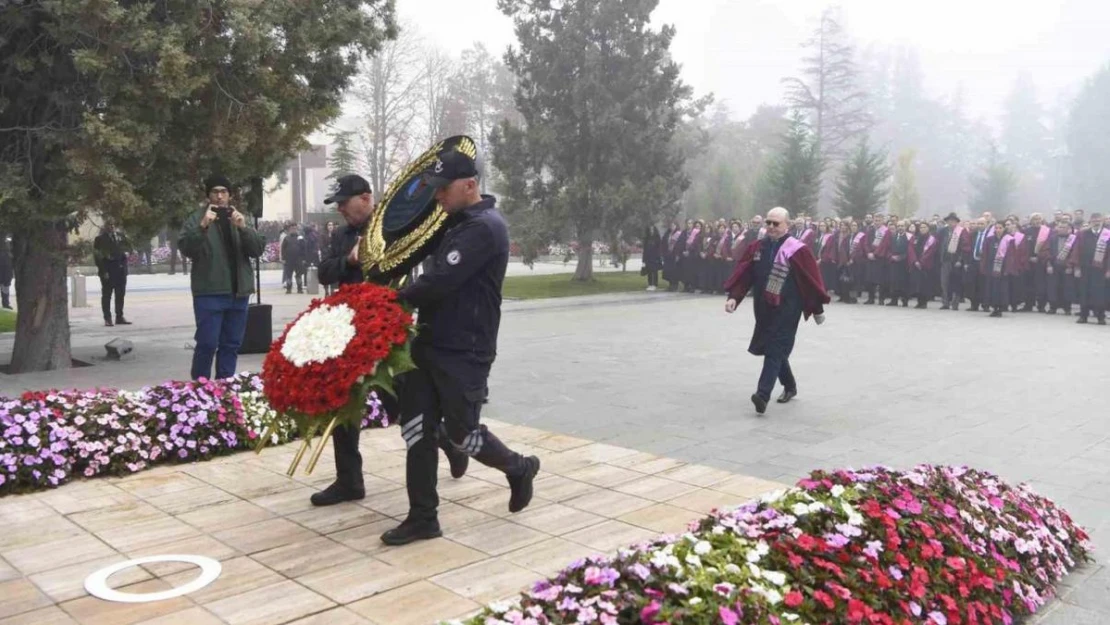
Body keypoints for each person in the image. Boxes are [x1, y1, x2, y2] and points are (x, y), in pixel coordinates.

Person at [381, 148, 540, 546]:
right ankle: (423, 518)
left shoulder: (483, 228)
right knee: (416, 428)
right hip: (431, 341)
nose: (437, 197)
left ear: (469, 185)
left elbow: (439, 282)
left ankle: (519, 468)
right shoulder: (454, 222)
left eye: (443, 189)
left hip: (465, 350)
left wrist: (389, 302)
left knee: (462, 434)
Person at [311, 174, 468, 507]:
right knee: (343, 408)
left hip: (385, 333)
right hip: (347, 331)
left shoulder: (395, 227)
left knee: (400, 406)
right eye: (337, 204)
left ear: (366, 199)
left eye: (344, 203)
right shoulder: (342, 235)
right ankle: (349, 480)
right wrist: (348, 261)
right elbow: (324, 272)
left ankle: (446, 443)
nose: (340, 210)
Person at [724, 207, 829, 415]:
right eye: (768, 223)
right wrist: (734, 298)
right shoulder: (757, 248)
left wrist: (817, 309)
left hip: (789, 308)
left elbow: (811, 281)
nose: (771, 227)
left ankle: (762, 395)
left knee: (775, 348)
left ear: (786, 225)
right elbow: (746, 276)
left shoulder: (798, 250)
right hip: (763, 307)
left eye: (776, 223)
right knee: (775, 348)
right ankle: (790, 386)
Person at [178, 175, 266, 380]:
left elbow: (257, 249)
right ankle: (200, 388)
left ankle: (225, 387)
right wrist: (203, 226)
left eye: (223, 192)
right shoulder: (196, 218)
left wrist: (243, 228)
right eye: (215, 192)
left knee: (231, 344)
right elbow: (187, 248)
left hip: (239, 293)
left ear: (230, 195)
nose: (219, 196)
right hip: (210, 292)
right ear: (208, 195)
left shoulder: (239, 217)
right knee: (207, 343)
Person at [1071, 212, 1109, 325]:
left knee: (1100, 293)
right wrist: (1076, 267)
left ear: (1102, 221)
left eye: (1098, 221)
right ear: (1090, 222)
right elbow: (1076, 251)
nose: (1096, 223)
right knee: (1084, 292)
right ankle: (1083, 315)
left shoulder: (1107, 234)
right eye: (1094, 221)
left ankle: (1100, 317)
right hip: (1085, 268)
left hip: (1101, 269)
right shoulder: (1082, 234)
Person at [93, 222, 131, 327]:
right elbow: (98, 257)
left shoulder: (120, 236)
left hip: (120, 270)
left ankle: (119, 316)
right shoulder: (99, 239)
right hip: (108, 271)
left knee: (120, 294)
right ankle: (107, 318)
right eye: (109, 225)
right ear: (105, 226)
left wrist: (124, 266)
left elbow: (126, 251)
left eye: (114, 224)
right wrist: (103, 271)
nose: (112, 227)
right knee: (107, 295)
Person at [1046, 219, 1077, 315]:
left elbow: (1075, 254)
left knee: (1067, 288)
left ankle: (1067, 308)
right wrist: (1049, 265)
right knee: (1053, 287)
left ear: (1068, 229)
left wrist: (1070, 266)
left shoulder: (1073, 239)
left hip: (1067, 267)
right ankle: (1053, 307)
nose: (1061, 229)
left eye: (1064, 227)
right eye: (1059, 227)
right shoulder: (1052, 238)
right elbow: (1047, 251)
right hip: (1054, 266)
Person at [937, 213, 967, 310]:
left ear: (956, 222)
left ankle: (955, 303)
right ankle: (945, 302)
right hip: (945, 260)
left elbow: (964, 247)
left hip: (956, 261)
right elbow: (938, 244)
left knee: (956, 282)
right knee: (944, 282)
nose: (951, 222)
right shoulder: (943, 231)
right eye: (949, 220)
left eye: (953, 221)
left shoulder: (961, 231)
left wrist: (960, 260)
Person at [908, 222, 937, 309]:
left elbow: (930, 252)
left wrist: (921, 261)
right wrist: (915, 261)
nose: (922, 229)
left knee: (925, 285)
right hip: (916, 264)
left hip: (926, 265)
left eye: (924, 227)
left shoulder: (932, 239)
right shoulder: (915, 238)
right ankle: (919, 301)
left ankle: (924, 302)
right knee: (917, 284)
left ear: (928, 228)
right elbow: (911, 250)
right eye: (921, 227)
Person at [886, 221, 911, 307]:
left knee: (903, 282)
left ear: (905, 227)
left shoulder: (909, 237)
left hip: (904, 263)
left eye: (902, 226)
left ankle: (904, 300)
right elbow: (888, 248)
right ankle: (894, 300)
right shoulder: (893, 237)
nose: (900, 227)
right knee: (894, 281)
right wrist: (891, 256)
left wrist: (901, 257)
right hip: (893, 262)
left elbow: (910, 250)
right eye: (899, 226)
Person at [281, 223, 305, 294]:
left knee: (299, 275)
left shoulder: (300, 238)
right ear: (289, 229)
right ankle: (289, 289)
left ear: (297, 229)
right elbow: (283, 249)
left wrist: (303, 258)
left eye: (295, 228)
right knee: (289, 275)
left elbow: (303, 248)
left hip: (298, 259)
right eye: (292, 228)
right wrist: (283, 258)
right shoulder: (286, 238)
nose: (294, 230)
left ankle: (299, 288)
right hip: (289, 260)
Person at [641, 224, 662, 292]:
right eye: (650, 229)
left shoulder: (657, 237)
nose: (651, 231)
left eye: (652, 229)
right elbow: (645, 249)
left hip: (655, 257)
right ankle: (650, 284)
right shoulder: (647, 238)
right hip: (648, 257)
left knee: (654, 271)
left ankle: (655, 284)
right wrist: (644, 260)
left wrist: (659, 257)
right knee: (649, 271)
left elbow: (659, 248)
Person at [662, 221, 682, 291]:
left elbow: (680, 244)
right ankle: (670, 285)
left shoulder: (679, 234)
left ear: (676, 226)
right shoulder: (668, 233)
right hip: (668, 254)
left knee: (674, 271)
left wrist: (677, 254)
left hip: (675, 254)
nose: (672, 227)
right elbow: (664, 242)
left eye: (673, 225)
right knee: (668, 271)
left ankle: (675, 285)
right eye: (671, 225)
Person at [321, 221, 339, 296]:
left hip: (334, 258)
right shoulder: (323, 235)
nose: (330, 226)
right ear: (326, 226)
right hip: (325, 257)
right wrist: (327, 250)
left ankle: (332, 290)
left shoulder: (336, 235)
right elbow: (321, 245)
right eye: (329, 225)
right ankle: (326, 291)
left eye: (331, 225)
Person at [0, 231, 12, 310]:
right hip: (5, 266)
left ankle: (6, 303)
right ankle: (6, 304)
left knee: (5, 286)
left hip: (6, 268)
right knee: (5, 286)